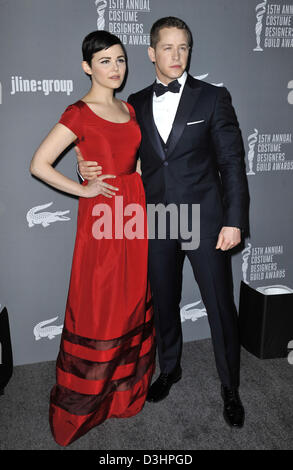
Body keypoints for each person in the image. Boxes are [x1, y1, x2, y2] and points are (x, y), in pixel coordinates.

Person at [77, 17, 250, 429]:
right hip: (154, 219)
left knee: (220, 308)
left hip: (205, 220)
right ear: (152, 53)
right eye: (168, 48)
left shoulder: (212, 97)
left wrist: (234, 220)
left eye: (184, 47)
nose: (177, 56)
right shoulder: (132, 103)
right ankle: (169, 368)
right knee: (164, 303)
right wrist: (88, 170)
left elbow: (231, 163)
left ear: (190, 51)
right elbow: (115, 151)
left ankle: (231, 387)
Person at [29, 30, 155, 446]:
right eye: (105, 61)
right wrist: (83, 187)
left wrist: (136, 186)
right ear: (87, 67)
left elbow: (132, 163)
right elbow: (39, 164)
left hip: (133, 210)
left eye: (120, 59)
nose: (115, 68)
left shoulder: (130, 109)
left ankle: (123, 396)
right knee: (99, 304)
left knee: (130, 300)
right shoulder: (78, 113)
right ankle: (86, 404)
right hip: (102, 216)